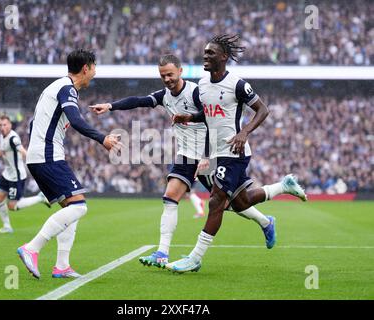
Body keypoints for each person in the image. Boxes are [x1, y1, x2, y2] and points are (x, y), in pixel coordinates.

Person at [91, 54, 277, 270]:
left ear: (180, 71)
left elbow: (212, 122)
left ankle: (265, 222)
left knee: (231, 203)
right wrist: (110, 106)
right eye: (163, 75)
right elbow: (139, 101)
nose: (167, 79)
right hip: (186, 155)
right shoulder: (165, 96)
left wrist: (207, 156)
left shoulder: (197, 92)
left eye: (170, 74)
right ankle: (162, 252)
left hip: (209, 155)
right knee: (170, 197)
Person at [167, 34, 307, 273]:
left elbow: (263, 110)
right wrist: (190, 117)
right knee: (239, 202)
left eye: (210, 53)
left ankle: (195, 258)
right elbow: (209, 115)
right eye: (204, 52)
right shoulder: (202, 85)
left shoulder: (238, 84)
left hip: (234, 151)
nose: (205, 56)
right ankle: (281, 190)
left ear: (224, 57)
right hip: (214, 153)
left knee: (216, 201)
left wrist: (245, 133)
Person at [16, 49, 122, 279]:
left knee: (71, 208)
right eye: (94, 68)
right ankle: (31, 248)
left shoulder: (55, 87)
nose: (95, 73)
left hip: (41, 155)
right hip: (47, 155)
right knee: (79, 207)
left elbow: (35, 124)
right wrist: (102, 138)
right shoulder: (67, 88)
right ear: (86, 68)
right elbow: (75, 120)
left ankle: (62, 266)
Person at [0, 115, 50, 234]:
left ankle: (39, 198)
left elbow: (21, 149)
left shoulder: (13, 138)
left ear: (10, 125)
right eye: (0, 125)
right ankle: (7, 227)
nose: (2, 127)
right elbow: (2, 150)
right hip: (7, 174)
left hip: (16, 176)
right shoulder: (3, 137)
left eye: (5, 125)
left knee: (12, 206)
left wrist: (35, 160)